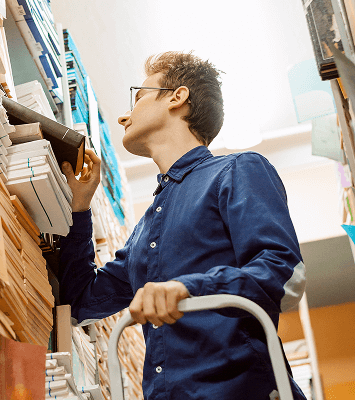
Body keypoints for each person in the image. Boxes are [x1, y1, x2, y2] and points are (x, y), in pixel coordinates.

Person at [59, 51, 308, 400]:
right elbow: (80, 301)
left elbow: (286, 273)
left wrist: (187, 289)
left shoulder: (237, 170)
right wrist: (80, 207)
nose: (122, 116)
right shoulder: (144, 230)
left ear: (178, 97)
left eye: (139, 95)